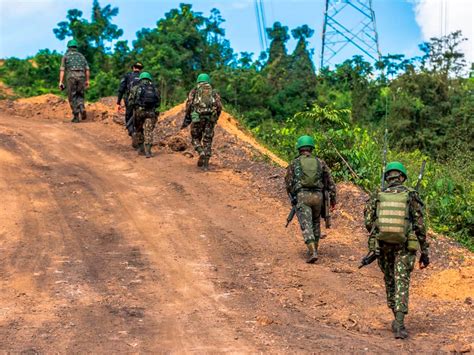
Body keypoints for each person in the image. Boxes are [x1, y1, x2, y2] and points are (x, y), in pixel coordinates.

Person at [364, 161, 430, 339]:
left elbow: (368, 222)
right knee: (402, 280)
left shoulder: (377, 194)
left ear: (387, 177)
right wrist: (425, 252)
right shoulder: (410, 195)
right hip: (404, 246)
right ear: (402, 177)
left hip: (383, 245)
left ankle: (396, 317)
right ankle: (400, 324)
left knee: (390, 279)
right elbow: (420, 227)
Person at [285, 135, 336, 263]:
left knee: (306, 223)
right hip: (318, 197)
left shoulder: (294, 163)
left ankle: (312, 251)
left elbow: (288, 183)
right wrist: (333, 199)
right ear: (312, 148)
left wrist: (293, 196)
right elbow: (330, 182)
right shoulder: (320, 162)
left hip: (303, 196)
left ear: (299, 148)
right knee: (316, 222)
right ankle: (315, 248)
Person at [182, 73, 222, 170]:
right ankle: (206, 165)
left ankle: (201, 152)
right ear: (208, 80)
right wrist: (215, 118)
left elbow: (189, 104)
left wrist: (189, 116)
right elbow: (219, 106)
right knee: (207, 139)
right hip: (210, 119)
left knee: (195, 138)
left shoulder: (194, 91)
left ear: (198, 80)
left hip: (197, 118)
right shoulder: (213, 92)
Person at [128, 72, 160, 158]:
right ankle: (148, 151)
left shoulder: (136, 88)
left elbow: (130, 102)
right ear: (150, 79)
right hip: (151, 112)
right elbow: (158, 103)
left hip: (139, 112)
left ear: (140, 79)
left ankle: (141, 149)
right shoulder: (154, 89)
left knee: (139, 129)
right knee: (148, 130)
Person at [59, 39, 90, 123]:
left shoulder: (66, 56)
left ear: (68, 47)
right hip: (82, 77)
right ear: (76, 47)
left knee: (72, 96)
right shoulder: (81, 56)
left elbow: (62, 69)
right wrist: (87, 80)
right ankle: (82, 107)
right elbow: (87, 69)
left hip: (71, 77)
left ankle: (76, 116)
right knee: (80, 94)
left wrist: (60, 82)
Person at [117, 62, 143, 138]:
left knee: (128, 115)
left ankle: (132, 132)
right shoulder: (144, 77)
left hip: (129, 100)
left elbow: (121, 89)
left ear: (133, 68)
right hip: (141, 101)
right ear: (140, 69)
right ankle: (140, 133)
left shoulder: (127, 75)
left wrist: (118, 102)